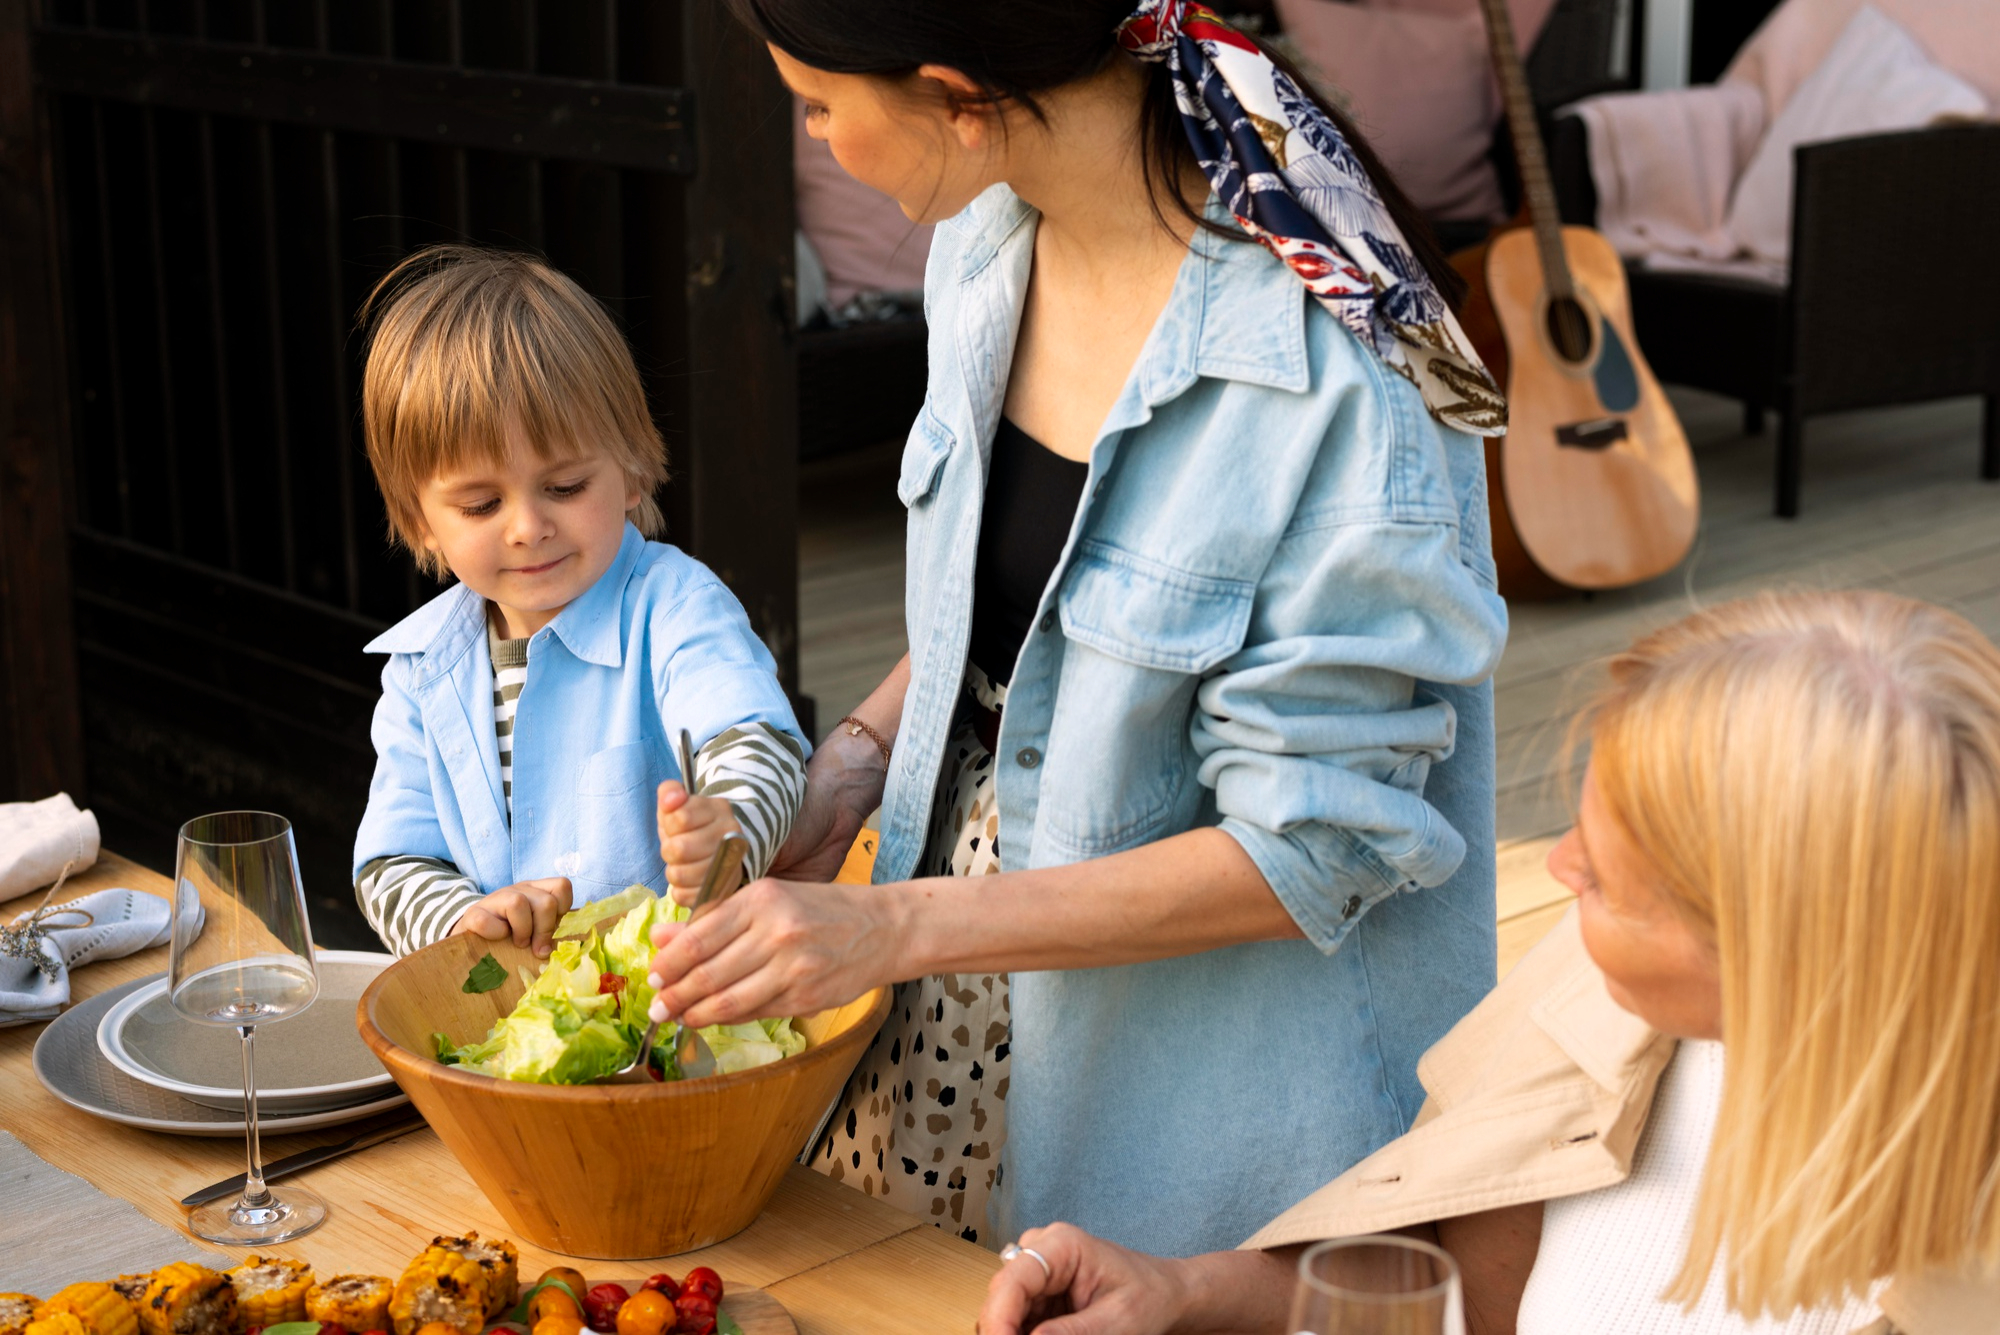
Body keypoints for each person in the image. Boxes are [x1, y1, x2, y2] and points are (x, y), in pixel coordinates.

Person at [643, 0, 1510, 1252]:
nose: (815, 139)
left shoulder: (1338, 381)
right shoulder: (986, 238)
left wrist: (886, 928)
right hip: (941, 1010)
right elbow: (1022, 616)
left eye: (820, 106)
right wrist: (854, 770)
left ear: (953, 94)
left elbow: (1314, 849)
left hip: (1191, 1095)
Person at [977, 589, 2000, 1335]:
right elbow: (1454, 1298)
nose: (1554, 870)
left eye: (1604, 880)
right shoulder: (1606, 1008)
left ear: (1779, 953)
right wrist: (1180, 1295)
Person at [350, 246, 808, 958]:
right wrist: (468, 921)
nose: (528, 526)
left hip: (676, 1014)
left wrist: (730, 824)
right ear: (419, 522)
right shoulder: (420, 670)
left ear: (629, 470)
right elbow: (389, 864)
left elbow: (757, 742)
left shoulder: (675, 607)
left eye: (564, 487)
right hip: (499, 1028)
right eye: (479, 504)